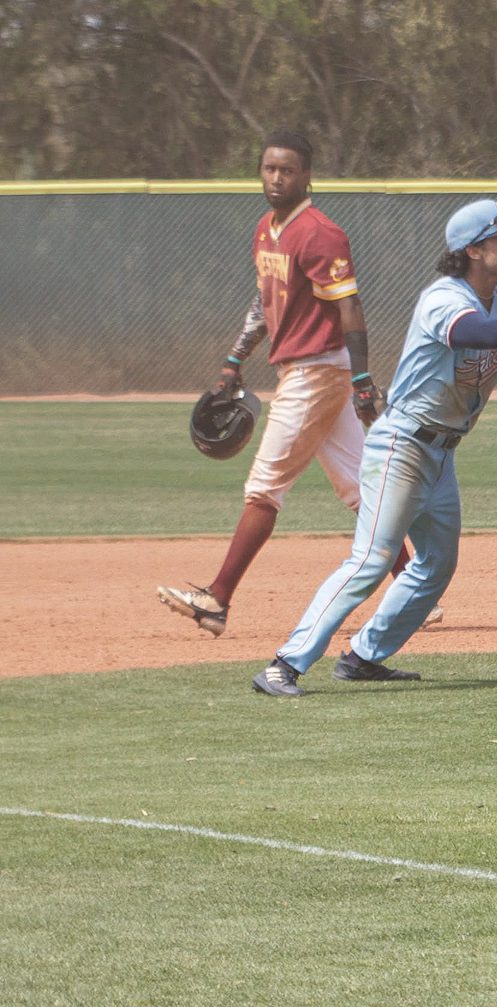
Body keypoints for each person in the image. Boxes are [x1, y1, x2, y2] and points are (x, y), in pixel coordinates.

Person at [251, 200, 497, 696]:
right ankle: (285, 663)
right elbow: (477, 333)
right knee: (372, 559)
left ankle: (364, 655)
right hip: (403, 444)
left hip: (442, 452)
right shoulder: (444, 298)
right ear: (473, 251)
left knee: (436, 562)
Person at [160, 131, 397, 637]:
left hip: (317, 371)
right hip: (300, 368)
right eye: (269, 168)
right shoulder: (266, 231)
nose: (276, 177)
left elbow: (350, 306)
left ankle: (217, 599)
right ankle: (412, 587)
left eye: (287, 170)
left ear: (307, 175)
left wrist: (361, 377)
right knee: (360, 488)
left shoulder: (320, 233)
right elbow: (264, 302)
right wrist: (234, 360)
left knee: (264, 487)